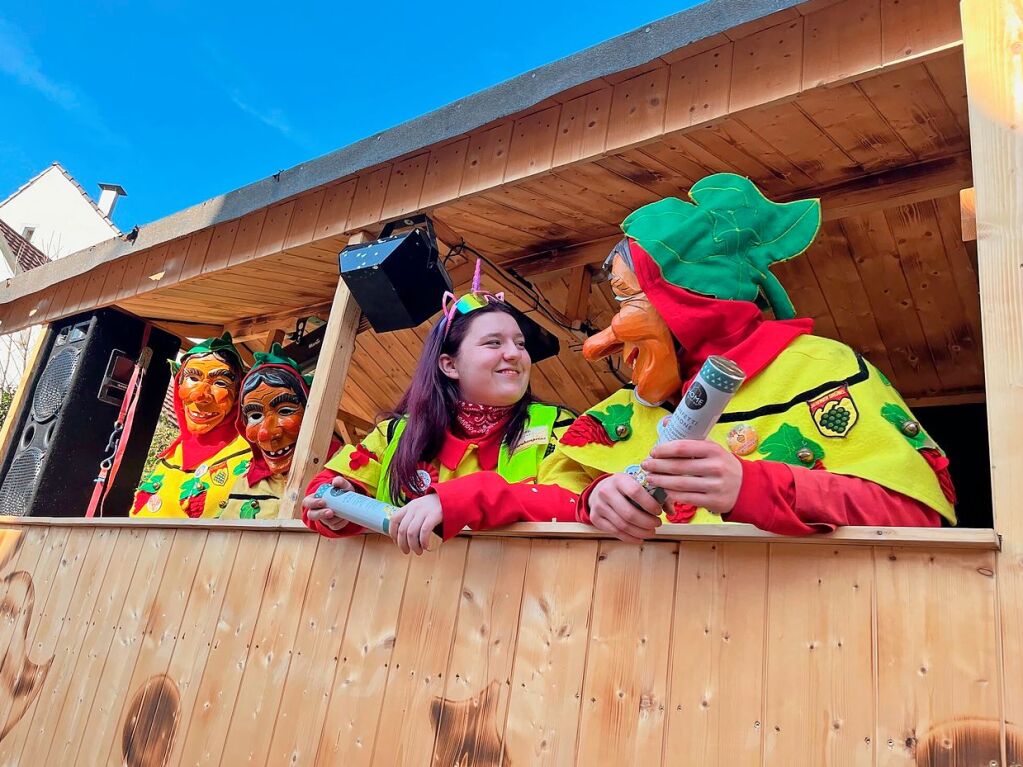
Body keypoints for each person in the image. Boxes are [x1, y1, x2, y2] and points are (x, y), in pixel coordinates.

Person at [541, 173, 957, 540]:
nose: (602, 341)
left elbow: (915, 515)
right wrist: (593, 500)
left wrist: (752, 487)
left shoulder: (822, 368)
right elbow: (548, 490)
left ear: (689, 302)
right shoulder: (628, 405)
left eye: (628, 297)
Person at [301, 262, 580, 553]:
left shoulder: (558, 425)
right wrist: (339, 508)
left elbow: (575, 502)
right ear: (450, 365)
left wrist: (456, 501)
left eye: (520, 344)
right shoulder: (395, 432)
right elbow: (321, 489)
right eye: (494, 343)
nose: (514, 354)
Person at [131, 333, 252, 519]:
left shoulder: (252, 457)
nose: (200, 396)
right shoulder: (173, 454)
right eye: (193, 378)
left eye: (220, 383)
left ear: (238, 394)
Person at [219, 344, 341, 520]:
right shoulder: (244, 481)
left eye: (285, 411)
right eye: (254, 416)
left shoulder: (343, 468)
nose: (266, 433)